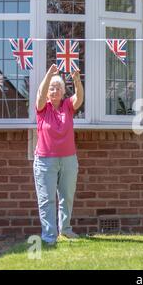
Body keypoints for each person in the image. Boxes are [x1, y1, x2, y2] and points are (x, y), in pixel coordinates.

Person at [33, 64, 84, 245]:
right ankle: (49, 236)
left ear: (63, 92)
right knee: (47, 199)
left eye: (58, 88)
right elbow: (39, 95)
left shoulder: (67, 106)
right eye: (52, 88)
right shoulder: (42, 108)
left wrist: (77, 81)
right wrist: (49, 75)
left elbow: (78, 99)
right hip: (45, 160)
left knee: (67, 196)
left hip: (69, 159)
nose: (54, 91)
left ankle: (66, 230)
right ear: (48, 91)